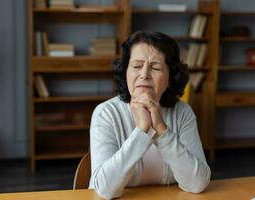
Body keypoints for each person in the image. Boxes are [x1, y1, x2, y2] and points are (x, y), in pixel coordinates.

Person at [88, 31, 211, 199]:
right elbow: (104, 189)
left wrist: (161, 129)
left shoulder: (182, 113)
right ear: (126, 72)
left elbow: (197, 184)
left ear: (170, 77)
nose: (144, 75)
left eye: (156, 67)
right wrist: (142, 130)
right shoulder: (106, 114)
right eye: (137, 66)